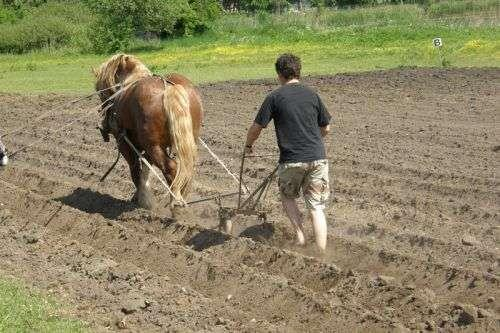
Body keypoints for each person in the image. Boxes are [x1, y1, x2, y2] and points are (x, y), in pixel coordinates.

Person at [244, 53, 331, 252]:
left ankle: (300, 236)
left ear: (279, 75)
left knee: (287, 196)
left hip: (291, 161)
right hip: (318, 158)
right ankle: (321, 253)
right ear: (298, 72)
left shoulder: (275, 97)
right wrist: (312, 141)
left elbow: (257, 127)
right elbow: (326, 128)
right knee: (316, 207)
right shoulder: (312, 94)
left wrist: (248, 146)